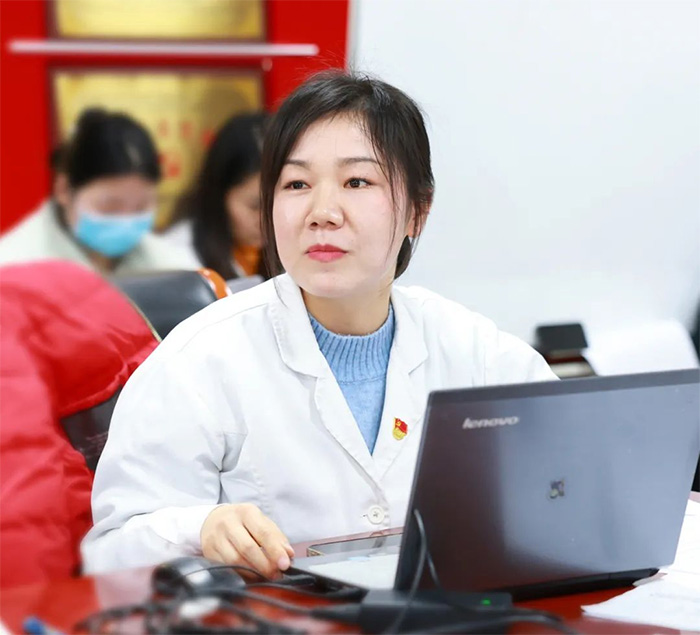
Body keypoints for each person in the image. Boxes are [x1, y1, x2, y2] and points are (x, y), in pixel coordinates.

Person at [82, 71, 557, 578]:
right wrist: (197, 529)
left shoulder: (478, 353)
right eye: (296, 184)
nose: (322, 212)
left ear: (417, 211)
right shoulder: (198, 359)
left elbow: (574, 485)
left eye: (357, 182)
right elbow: (109, 554)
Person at [0, 108, 198, 274]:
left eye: (141, 207)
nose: (126, 220)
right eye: (110, 206)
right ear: (64, 190)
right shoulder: (13, 266)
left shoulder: (175, 266)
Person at [165, 112, 271, 280]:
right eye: (254, 206)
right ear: (219, 194)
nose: (268, 220)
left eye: (278, 203)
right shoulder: (177, 258)